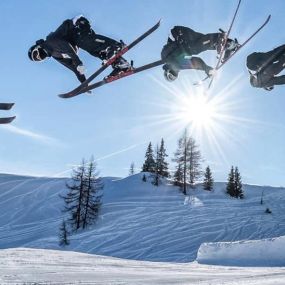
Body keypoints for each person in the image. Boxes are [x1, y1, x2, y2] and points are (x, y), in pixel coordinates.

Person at [28, 15, 131, 83]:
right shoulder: (55, 55)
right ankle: (121, 65)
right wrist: (84, 82)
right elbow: (72, 67)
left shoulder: (50, 41)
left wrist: (79, 64)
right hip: (78, 38)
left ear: (38, 47)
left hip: (77, 25)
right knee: (94, 51)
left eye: (37, 54)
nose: (40, 56)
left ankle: (115, 45)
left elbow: (68, 49)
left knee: (83, 41)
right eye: (39, 59)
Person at [161, 26, 239, 81]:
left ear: (167, 72)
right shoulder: (180, 63)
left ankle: (219, 39)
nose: (175, 74)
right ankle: (230, 45)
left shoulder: (169, 60)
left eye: (171, 76)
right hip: (183, 37)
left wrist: (167, 60)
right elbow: (195, 62)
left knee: (195, 48)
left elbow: (166, 50)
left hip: (179, 35)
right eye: (174, 77)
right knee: (204, 43)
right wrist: (207, 69)